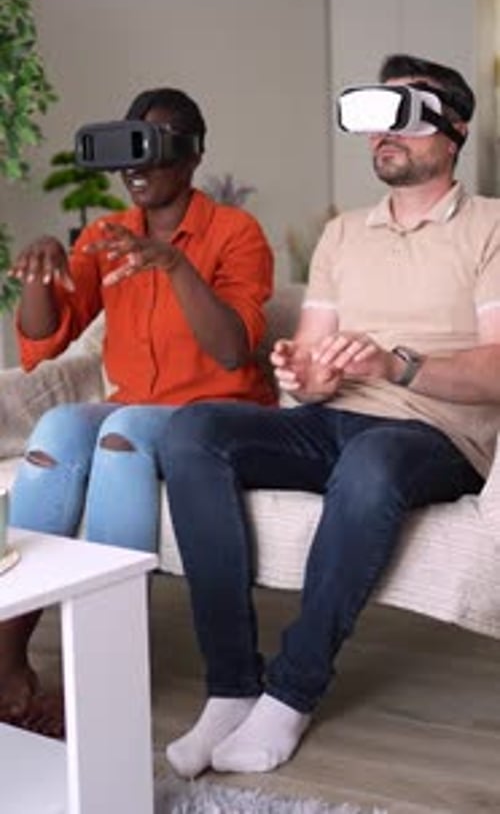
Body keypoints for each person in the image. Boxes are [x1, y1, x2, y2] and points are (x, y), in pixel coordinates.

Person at [161, 54, 500, 779]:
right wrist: (306, 376)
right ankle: (231, 685)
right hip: (337, 423)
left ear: (454, 130)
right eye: (376, 117)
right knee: (193, 430)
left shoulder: (490, 228)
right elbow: (315, 358)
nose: (385, 134)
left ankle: (291, 691)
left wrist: (394, 364)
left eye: (405, 116)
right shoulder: (345, 233)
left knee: (372, 462)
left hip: (434, 434)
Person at [0, 86, 275, 737]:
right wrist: (40, 274)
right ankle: (6, 661)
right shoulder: (105, 234)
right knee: (61, 426)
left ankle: (107, 677)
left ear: (193, 154)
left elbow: (234, 349)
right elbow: (44, 343)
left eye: (153, 148)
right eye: (127, 150)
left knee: (120, 432)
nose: (136, 167)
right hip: (139, 406)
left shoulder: (235, 233)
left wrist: (178, 267)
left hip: (220, 416)